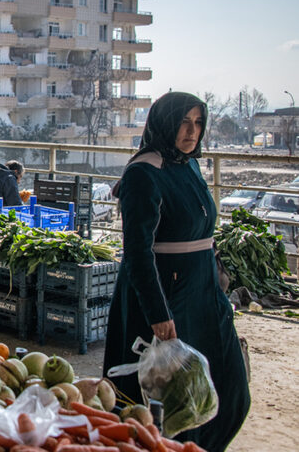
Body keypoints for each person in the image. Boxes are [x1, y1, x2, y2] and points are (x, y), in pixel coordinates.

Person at [103, 92, 250, 451]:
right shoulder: (143, 173)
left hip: (204, 292)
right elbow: (137, 252)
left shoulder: (190, 165)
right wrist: (158, 313)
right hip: (167, 295)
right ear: (165, 124)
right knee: (171, 400)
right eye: (184, 121)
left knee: (231, 390)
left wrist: (218, 285)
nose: (192, 131)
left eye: (198, 122)